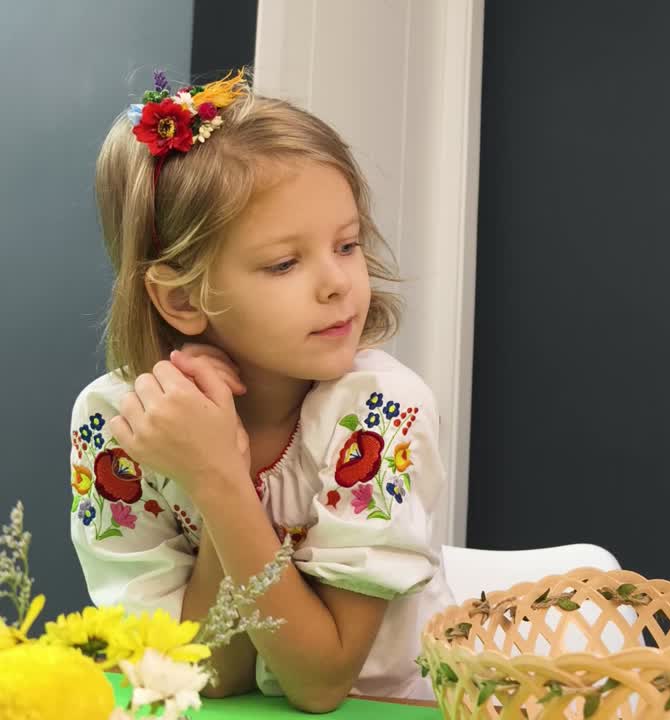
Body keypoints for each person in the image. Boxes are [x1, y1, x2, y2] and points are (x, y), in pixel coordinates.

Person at [68, 69, 453, 709]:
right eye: (284, 262)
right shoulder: (117, 423)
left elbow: (322, 682)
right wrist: (212, 462)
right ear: (183, 298)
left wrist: (220, 477)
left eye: (348, 244)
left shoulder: (381, 410)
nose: (337, 284)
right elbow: (209, 677)